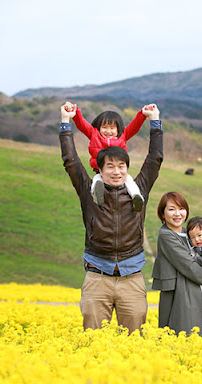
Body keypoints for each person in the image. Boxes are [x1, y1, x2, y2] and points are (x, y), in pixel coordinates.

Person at [59, 101, 163, 335]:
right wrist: (65, 123)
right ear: (100, 169)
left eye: (121, 166)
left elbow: (155, 159)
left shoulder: (139, 188)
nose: (116, 171)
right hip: (97, 275)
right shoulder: (89, 191)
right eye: (110, 167)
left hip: (132, 276)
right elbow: (71, 161)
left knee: (133, 341)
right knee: (93, 341)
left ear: (127, 168)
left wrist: (155, 121)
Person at [151, 192, 202, 337]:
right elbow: (189, 265)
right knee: (181, 332)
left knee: (198, 332)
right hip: (178, 292)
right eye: (171, 209)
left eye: (181, 208)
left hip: (195, 287)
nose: (177, 213)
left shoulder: (189, 233)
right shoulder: (166, 235)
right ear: (162, 214)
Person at [71, 102, 149, 211]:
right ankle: (98, 196)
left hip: (118, 169)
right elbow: (81, 124)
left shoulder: (123, 136)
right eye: (104, 127)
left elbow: (135, 126)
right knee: (97, 180)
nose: (108, 131)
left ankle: (136, 197)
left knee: (129, 181)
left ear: (118, 129)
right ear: (99, 127)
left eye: (112, 128)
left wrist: (143, 114)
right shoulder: (94, 134)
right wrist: (75, 113)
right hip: (100, 169)